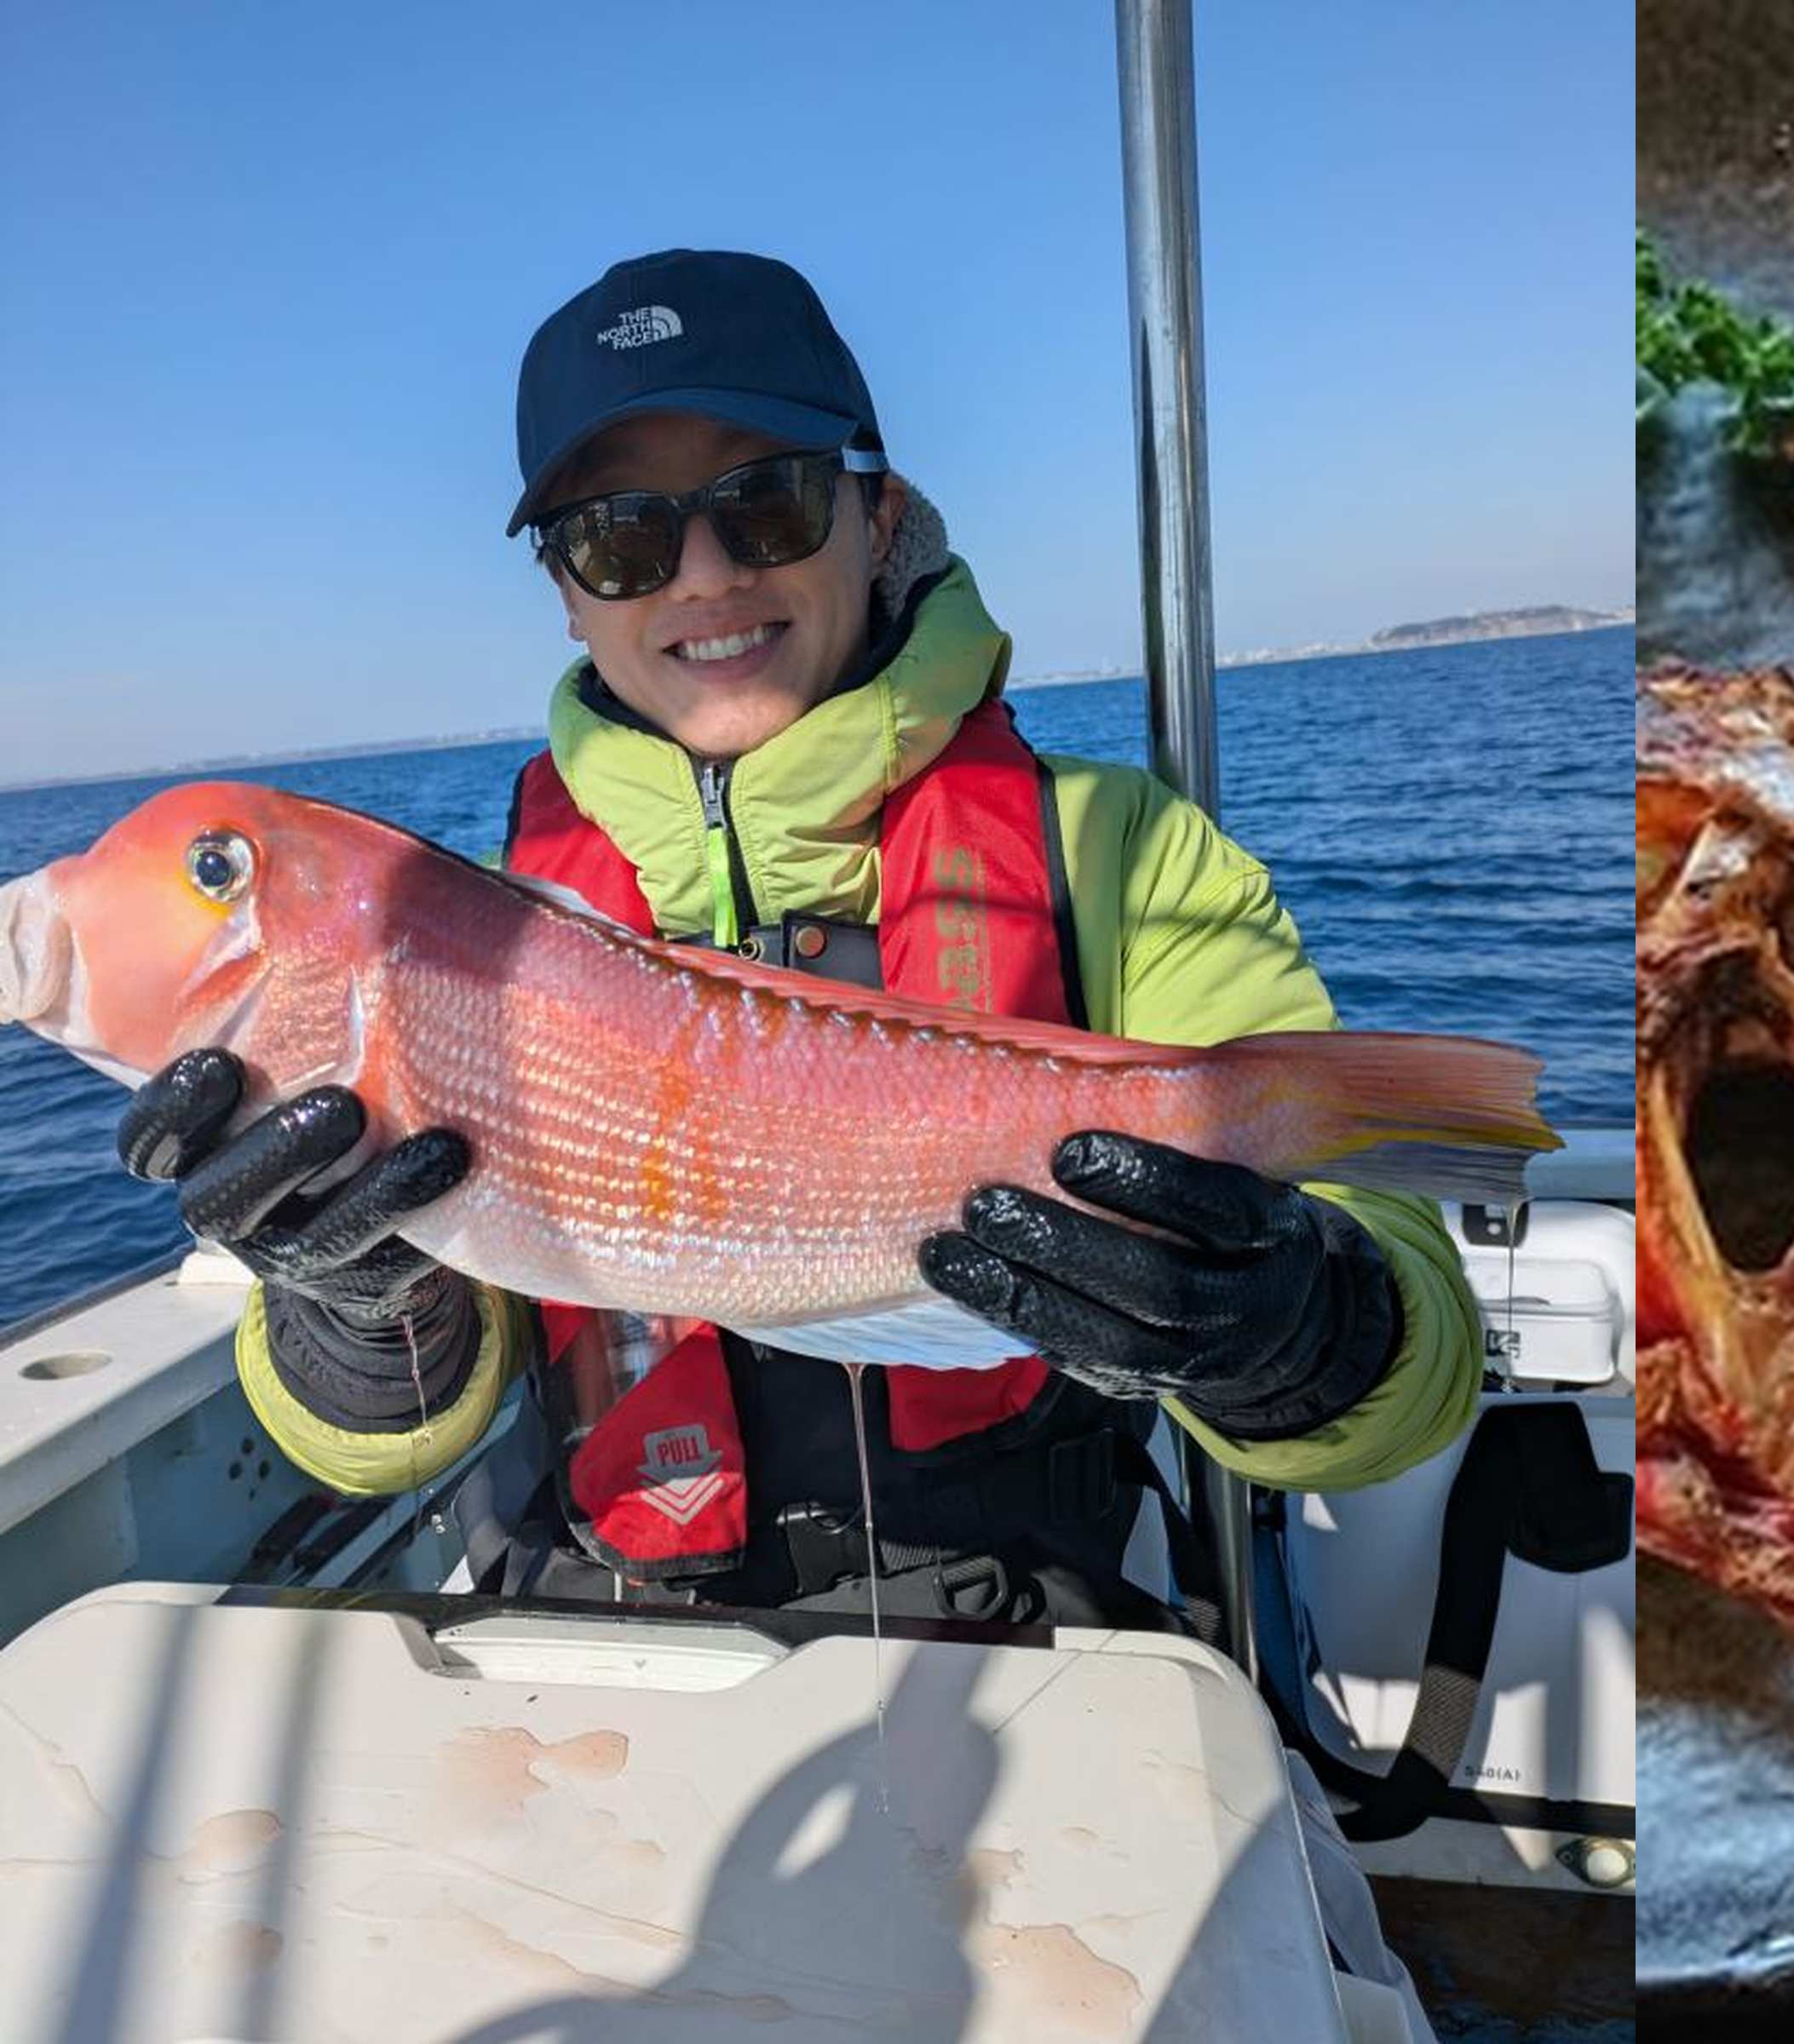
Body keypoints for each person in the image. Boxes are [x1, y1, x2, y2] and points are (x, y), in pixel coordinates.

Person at [110, 250, 1489, 1623]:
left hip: (1041, 1635)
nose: (703, 578)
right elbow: (382, 1439)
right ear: (567, 592)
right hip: (613, 1642)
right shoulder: (465, 940)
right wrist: (362, 1311)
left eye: (764, 502)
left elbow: (1410, 1372)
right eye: (620, 536)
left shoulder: (1118, 852)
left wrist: (1304, 1327)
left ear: (876, 516)